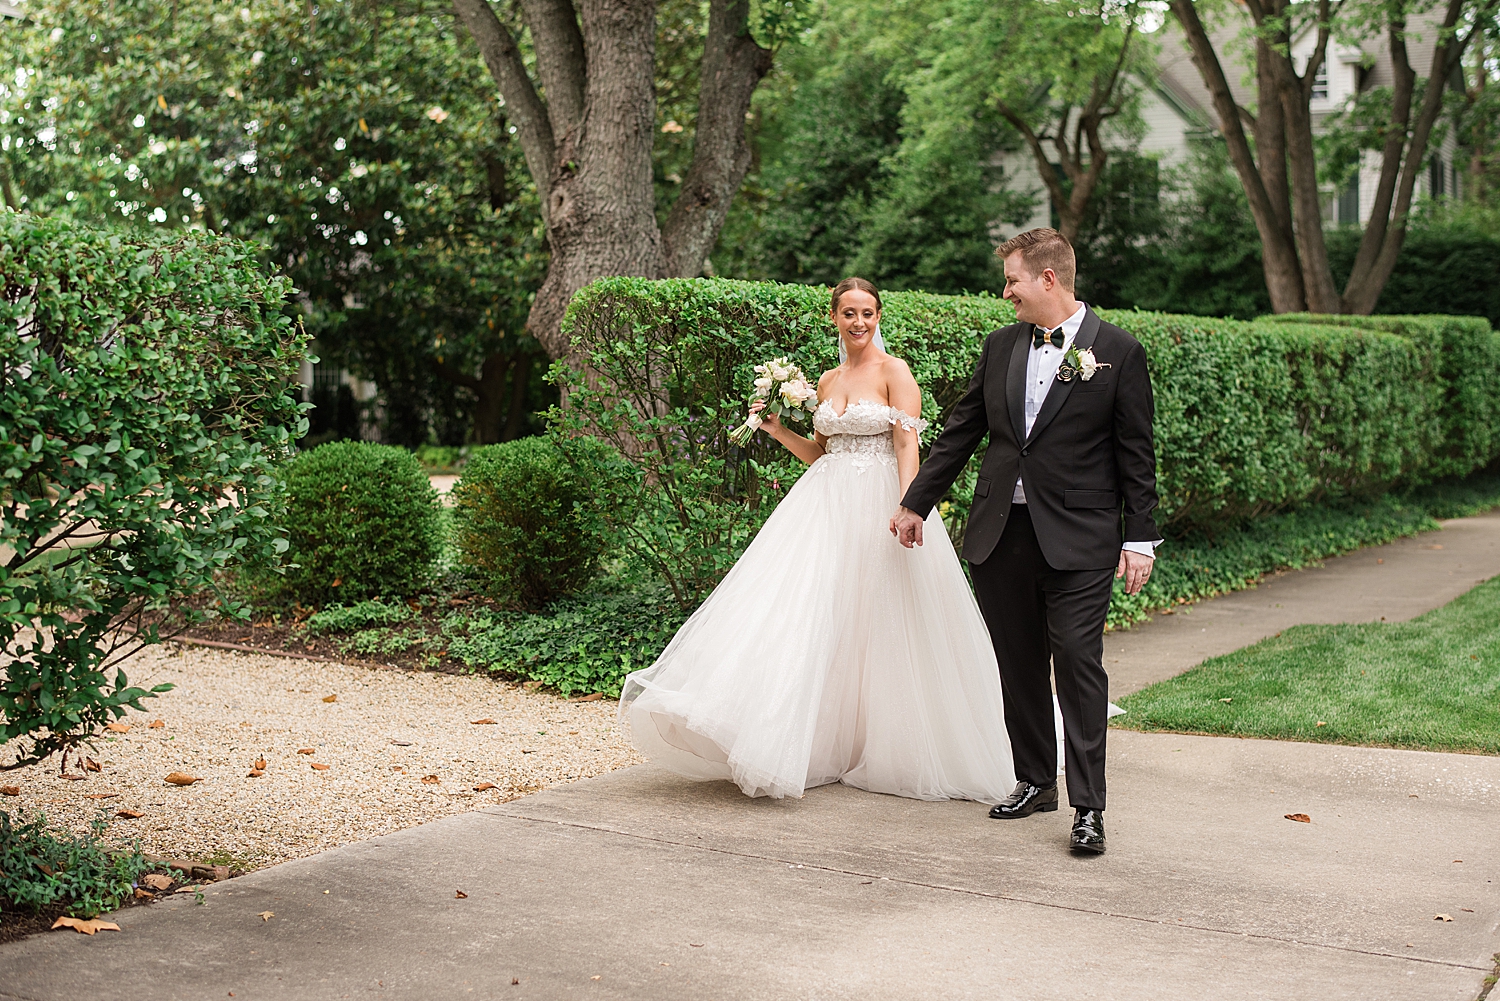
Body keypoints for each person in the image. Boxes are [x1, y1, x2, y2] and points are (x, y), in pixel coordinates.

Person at [619, 277, 1016, 803]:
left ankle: (897, 741)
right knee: (814, 612)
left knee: (888, 615)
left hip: (884, 503)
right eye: (849, 313)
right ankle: (819, 740)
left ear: (879, 316)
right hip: (825, 508)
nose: (859, 323)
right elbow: (821, 453)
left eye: (868, 313)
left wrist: (908, 506)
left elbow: (906, 444)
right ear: (834, 317)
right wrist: (778, 430)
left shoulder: (895, 371)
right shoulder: (826, 382)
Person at [891, 228, 1161, 855]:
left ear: (1048, 279)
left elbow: (1135, 455)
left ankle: (1088, 807)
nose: (1004, 290)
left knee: (1077, 664)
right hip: (1001, 534)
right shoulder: (1002, 345)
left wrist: (1140, 538)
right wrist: (916, 503)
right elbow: (962, 430)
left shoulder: (1119, 351)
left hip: (1081, 540)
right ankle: (1037, 779)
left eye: (1012, 279)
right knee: (1016, 664)